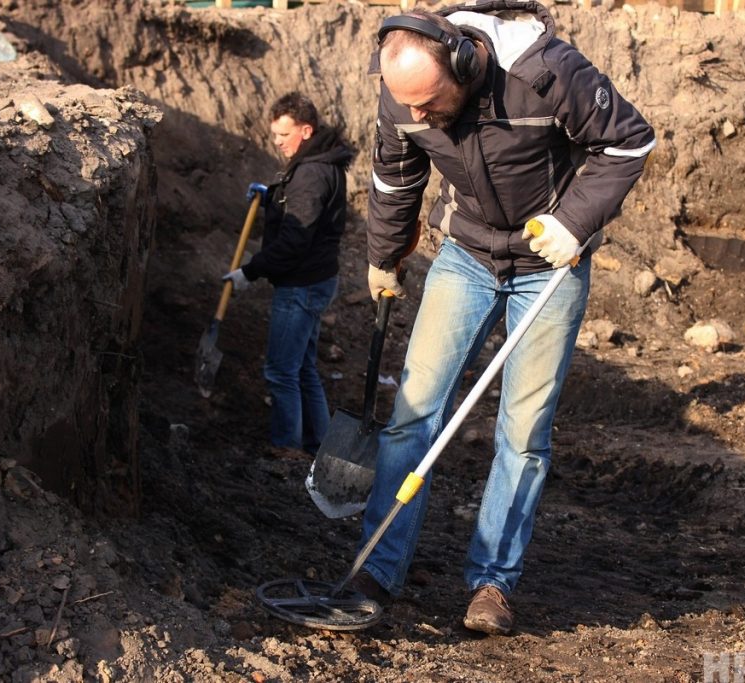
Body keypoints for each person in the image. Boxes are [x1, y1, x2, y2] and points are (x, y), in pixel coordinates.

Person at [351, 1, 656, 635]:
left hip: (550, 266)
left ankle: (492, 583)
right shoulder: (403, 99)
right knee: (413, 414)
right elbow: (395, 180)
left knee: (522, 432)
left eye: (430, 104)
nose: (417, 116)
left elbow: (629, 141)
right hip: (465, 255)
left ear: (465, 66)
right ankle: (377, 567)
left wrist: (573, 224)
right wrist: (385, 255)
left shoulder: (543, 71)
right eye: (405, 104)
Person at [223, 92, 354, 455]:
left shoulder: (311, 172)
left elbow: (297, 237)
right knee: (303, 368)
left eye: (284, 135)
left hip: (302, 285)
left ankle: (286, 450)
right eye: (275, 135)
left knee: (282, 371)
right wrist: (271, 197)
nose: (277, 142)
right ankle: (318, 445)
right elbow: (300, 206)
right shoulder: (317, 161)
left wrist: (250, 272)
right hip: (315, 279)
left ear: (306, 130)